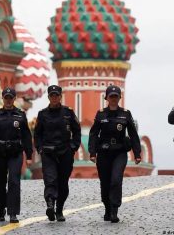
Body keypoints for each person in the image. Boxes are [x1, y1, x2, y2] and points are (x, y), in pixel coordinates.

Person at [88, 85, 142, 223]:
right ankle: (107, 207)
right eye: (111, 96)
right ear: (107, 98)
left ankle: (114, 210)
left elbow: (133, 135)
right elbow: (94, 134)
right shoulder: (101, 114)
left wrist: (137, 153)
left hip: (119, 152)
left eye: (116, 96)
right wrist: (92, 152)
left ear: (119, 98)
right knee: (105, 183)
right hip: (104, 152)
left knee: (116, 180)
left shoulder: (125, 114)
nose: (113, 99)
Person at [0, 87, 33, 223]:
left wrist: (29, 156)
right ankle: (1, 208)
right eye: (6, 98)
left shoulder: (21, 115)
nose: (8, 100)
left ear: (14, 99)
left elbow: (27, 136)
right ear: (3, 99)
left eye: (11, 98)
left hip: (15, 153)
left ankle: (13, 213)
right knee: (0, 182)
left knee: (14, 182)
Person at [34, 85, 81, 222]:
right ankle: (50, 204)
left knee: (63, 183)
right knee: (50, 179)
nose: (54, 98)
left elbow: (77, 131)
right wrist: (40, 149)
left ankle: (59, 209)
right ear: (48, 97)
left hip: (65, 152)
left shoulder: (68, 113)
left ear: (60, 97)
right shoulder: (42, 114)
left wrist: (73, 147)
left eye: (56, 95)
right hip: (48, 153)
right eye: (52, 95)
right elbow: (37, 134)